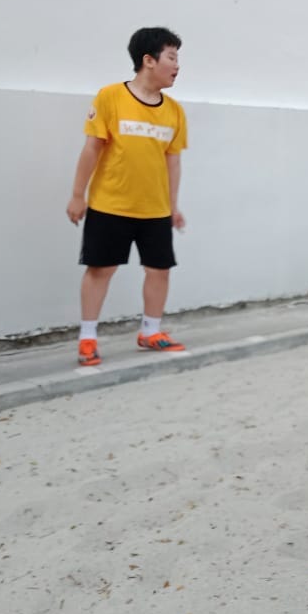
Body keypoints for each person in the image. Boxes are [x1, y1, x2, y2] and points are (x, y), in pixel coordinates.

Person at [66, 27, 188, 366]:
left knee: (160, 270)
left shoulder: (175, 111)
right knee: (100, 270)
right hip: (110, 205)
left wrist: (173, 205)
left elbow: (172, 161)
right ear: (148, 61)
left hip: (155, 209)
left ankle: (151, 331)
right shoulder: (110, 97)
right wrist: (78, 195)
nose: (177, 66)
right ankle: (88, 339)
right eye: (172, 57)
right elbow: (92, 148)